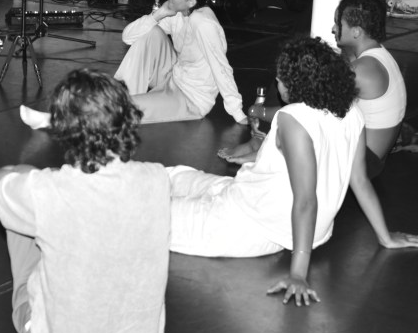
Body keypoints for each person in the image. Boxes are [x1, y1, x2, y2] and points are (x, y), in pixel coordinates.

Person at [169, 37, 418, 308]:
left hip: (251, 225)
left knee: (151, 213)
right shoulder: (351, 111)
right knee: (175, 176)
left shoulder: (293, 118)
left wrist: (298, 273)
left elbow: (306, 200)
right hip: (249, 198)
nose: (277, 83)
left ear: (295, 83)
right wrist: (385, 236)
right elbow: (358, 180)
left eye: (280, 78)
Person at [0, 69, 171, 333]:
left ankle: (1, 209)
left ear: (63, 130)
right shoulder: (157, 179)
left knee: (18, 206)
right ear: (125, 119)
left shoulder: (47, 190)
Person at [20, 0, 246, 128]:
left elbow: (221, 68)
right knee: (151, 32)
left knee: (129, 111)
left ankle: (53, 120)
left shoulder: (204, 25)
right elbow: (129, 37)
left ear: (192, 2)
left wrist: (238, 113)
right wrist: (159, 14)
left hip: (190, 99)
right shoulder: (179, 12)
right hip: (172, 76)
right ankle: (121, 93)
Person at [220, 0, 406, 178]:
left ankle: (264, 151)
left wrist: (258, 112)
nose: (333, 29)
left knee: (298, 110)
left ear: (356, 32)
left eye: (339, 23)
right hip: (369, 156)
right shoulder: (378, 55)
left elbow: (306, 111)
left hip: (362, 165)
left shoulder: (361, 71)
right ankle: (260, 143)